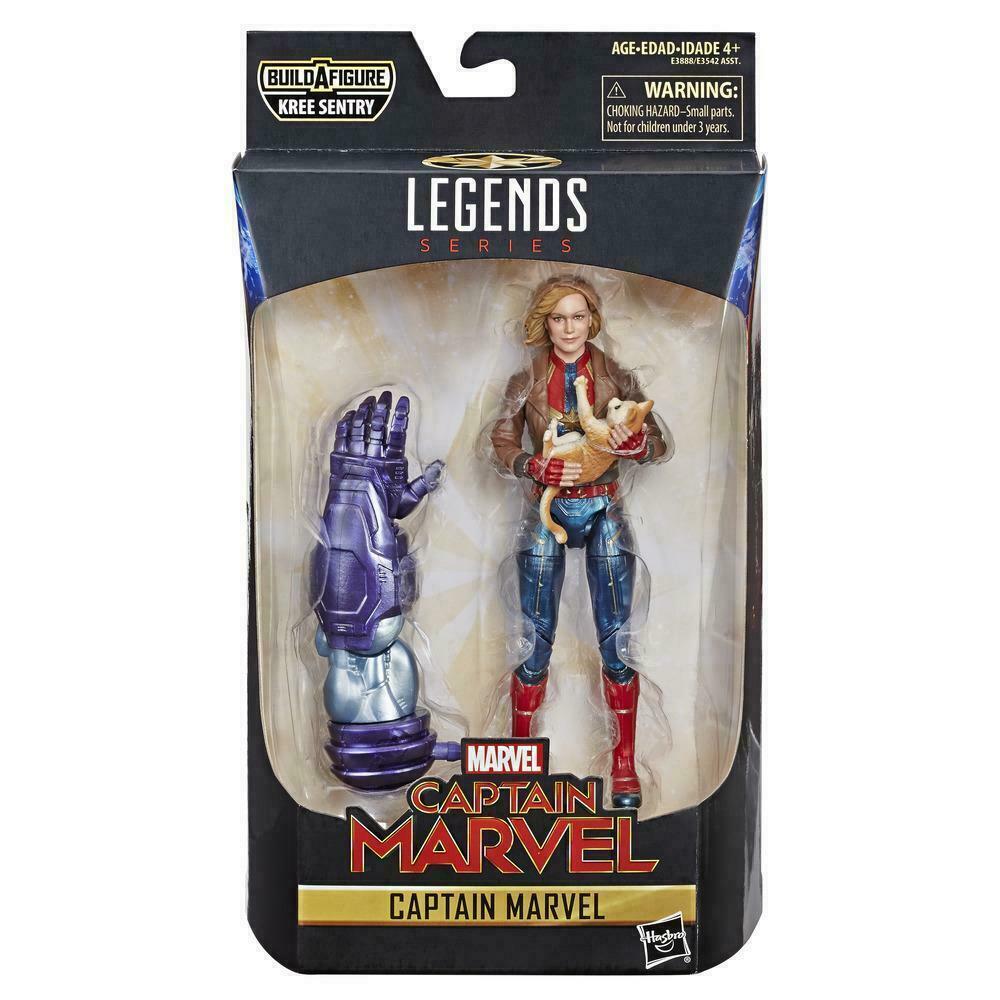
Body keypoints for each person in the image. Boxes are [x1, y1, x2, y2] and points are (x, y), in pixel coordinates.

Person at [490, 276, 673, 808]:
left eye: (577, 317)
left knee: (617, 644)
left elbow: (658, 442)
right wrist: (530, 465)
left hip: (604, 505)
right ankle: (519, 761)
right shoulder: (525, 379)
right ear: (544, 323)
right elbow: (500, 439)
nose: (568, 328)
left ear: (592, 319)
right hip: (545, 507)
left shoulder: (617, 376)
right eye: (557, 318)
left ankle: (624, 765)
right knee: (533, 644)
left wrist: (637, 444)